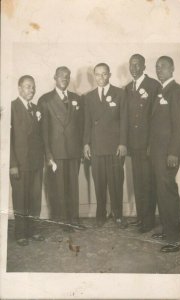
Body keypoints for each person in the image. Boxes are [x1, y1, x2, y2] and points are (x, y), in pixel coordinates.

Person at [38, 66, 84, 232]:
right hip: (56, 152)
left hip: (73, 150)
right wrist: (48, 154)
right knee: (59, 187)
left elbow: (80, 126)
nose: (64, 78)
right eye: (61, 76)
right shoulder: (45, 100)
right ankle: (64, 220)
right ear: (54, 77)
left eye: (67, 76)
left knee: (73, 186)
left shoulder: (76, 98)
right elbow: (43, 131)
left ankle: (74, 219)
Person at [84, 63, 128, 228]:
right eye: (98, 74)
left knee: (116, 181)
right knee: (99, 182)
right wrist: (86, 144)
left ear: (109, 75)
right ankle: (100, 214)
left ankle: (118, 214)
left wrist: (123, 143)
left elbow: (125, 120)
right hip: (96, 146)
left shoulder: (120, 93)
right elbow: (87, 122)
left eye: (104, 74)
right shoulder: (89, 97)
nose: (101, 78)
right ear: (94, 76)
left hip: (115, 147)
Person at [124, 54, 160, 233]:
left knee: (147, 182)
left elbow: (157, 117)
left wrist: (151, 144)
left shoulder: (154, 86)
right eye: (132, 65)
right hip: (134, 144)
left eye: (138, 65)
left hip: (147, 144)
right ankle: (141, 217)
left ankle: (148, 221)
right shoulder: (127, 88)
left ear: (144, 66)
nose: (134, 68)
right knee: (138, 181)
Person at [150, 56, 180, 253]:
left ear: (173, 68)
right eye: (157, 67)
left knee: (167, 192)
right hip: (157, 153)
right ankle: (168, 229)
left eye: (163, 66)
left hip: (168, 154)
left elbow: (179, 125)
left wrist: (173, 153)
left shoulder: (176, 91)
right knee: (162, 192)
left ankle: (175, 238)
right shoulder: (160, 90)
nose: (159, 70)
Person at [10, 75, 44, 246]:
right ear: (19, 88)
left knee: (35, 199)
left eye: (33, 87)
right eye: (27, 86)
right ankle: (21, 233)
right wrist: (13, 164)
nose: (31, 90)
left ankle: (34, 230)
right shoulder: (12, 108)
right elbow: (7, 139)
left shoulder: (36, 108)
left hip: (36, 163)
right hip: (20, 165)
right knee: (21, 200)